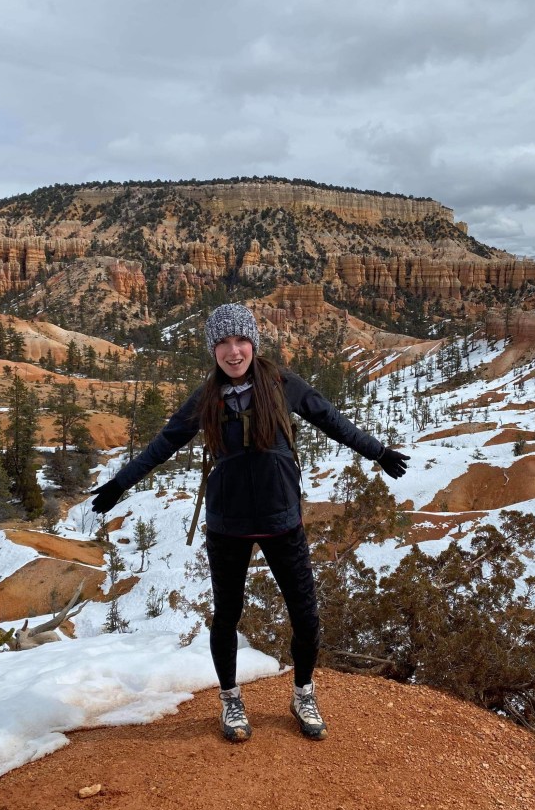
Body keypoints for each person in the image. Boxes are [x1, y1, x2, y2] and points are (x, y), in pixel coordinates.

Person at [91, 304, 409, 743]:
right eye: (222, 343)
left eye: (240, 341)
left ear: (253, 343)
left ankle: (303, 693)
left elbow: (333, 420)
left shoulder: (282, 386)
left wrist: (378, 452)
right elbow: (162, 445)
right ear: (213, 350)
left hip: (282, 522)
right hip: (228, 526)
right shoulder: (205, 399)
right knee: (227, 616)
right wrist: (118, 485)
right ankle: (230, 699)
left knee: (306, 616)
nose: (233, 351)